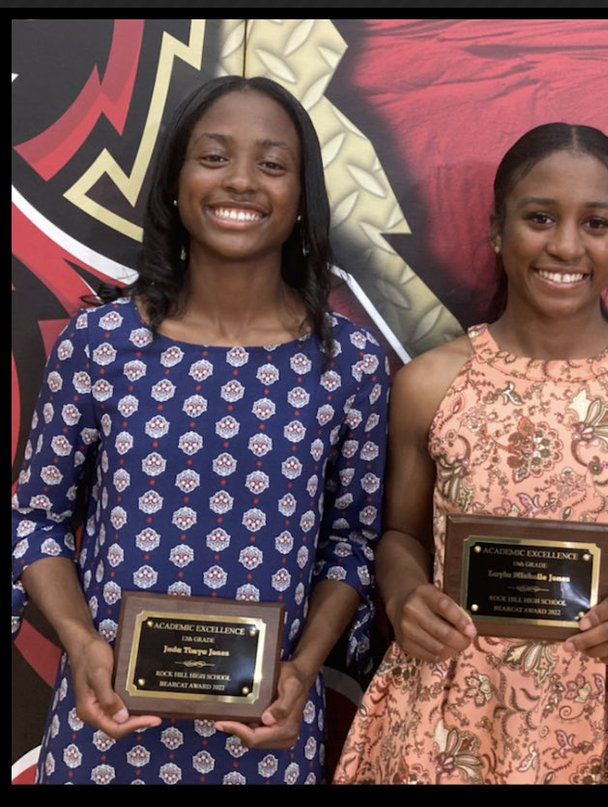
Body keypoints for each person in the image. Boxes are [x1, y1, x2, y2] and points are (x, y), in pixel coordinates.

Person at [11, 76, 389, 784]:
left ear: (302, 194)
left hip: (265, 740)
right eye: (214, 157)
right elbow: (35, 520)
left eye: (272, 165)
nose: (241, 181)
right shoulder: (102, 343)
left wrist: (303, 669)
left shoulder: (349, 362)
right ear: (176, 181)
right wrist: (82, 642)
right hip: (106, 730)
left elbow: (352, 541)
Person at [334, 123, 608, 784]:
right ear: (498, 230)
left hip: (596, 715)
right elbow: (396, 535)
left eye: (596, 223)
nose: (565, 244)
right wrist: (406, 593)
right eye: (539, 217)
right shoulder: (431, 383)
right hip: (443, 720)